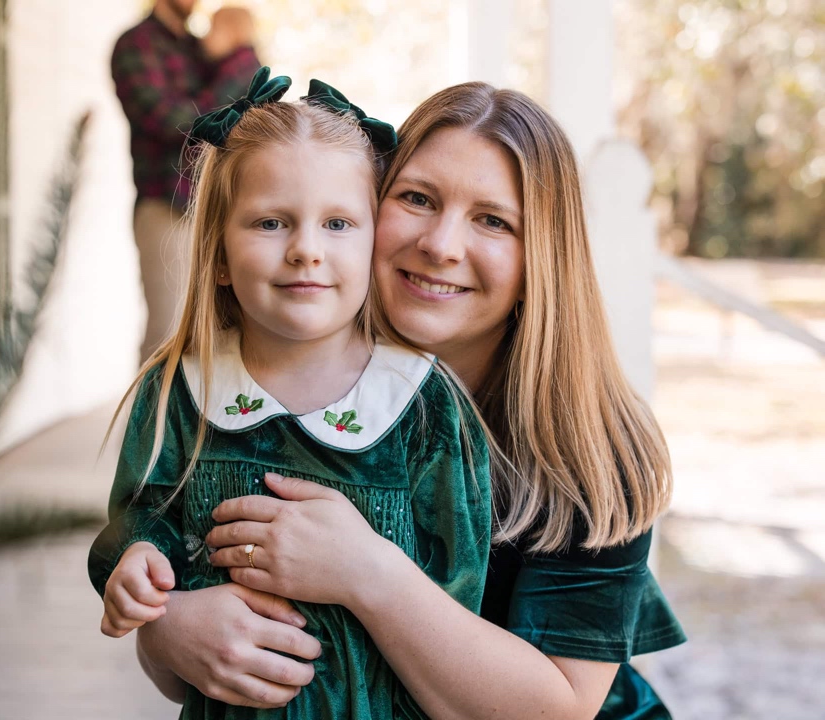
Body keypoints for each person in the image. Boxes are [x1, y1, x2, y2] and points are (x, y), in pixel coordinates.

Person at [130, 80, 687, 720]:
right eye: (418, 199)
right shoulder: (274, 385)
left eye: (493, 220)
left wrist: (367, 571)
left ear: (543, 257)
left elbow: (558, 710)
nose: (441, 245)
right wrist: (168, 628)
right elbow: (192, 631)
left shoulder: (590, 445)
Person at [87, 68, 493, 720]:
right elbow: (139, 516)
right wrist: (138, 565)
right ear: (217, 254)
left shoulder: (420, 406)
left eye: (338, 223)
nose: (306, 250)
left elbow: (460, 593)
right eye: (272, 222)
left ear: (373, 245)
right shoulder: (182, 391)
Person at [112, 0, 260, 362]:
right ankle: (151, 420)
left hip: (219, 206)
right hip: (168, 206)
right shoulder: (136, 44)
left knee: (224, 330)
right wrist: (234, 93)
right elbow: (174, 122)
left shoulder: (199, 47)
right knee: (168, 334)